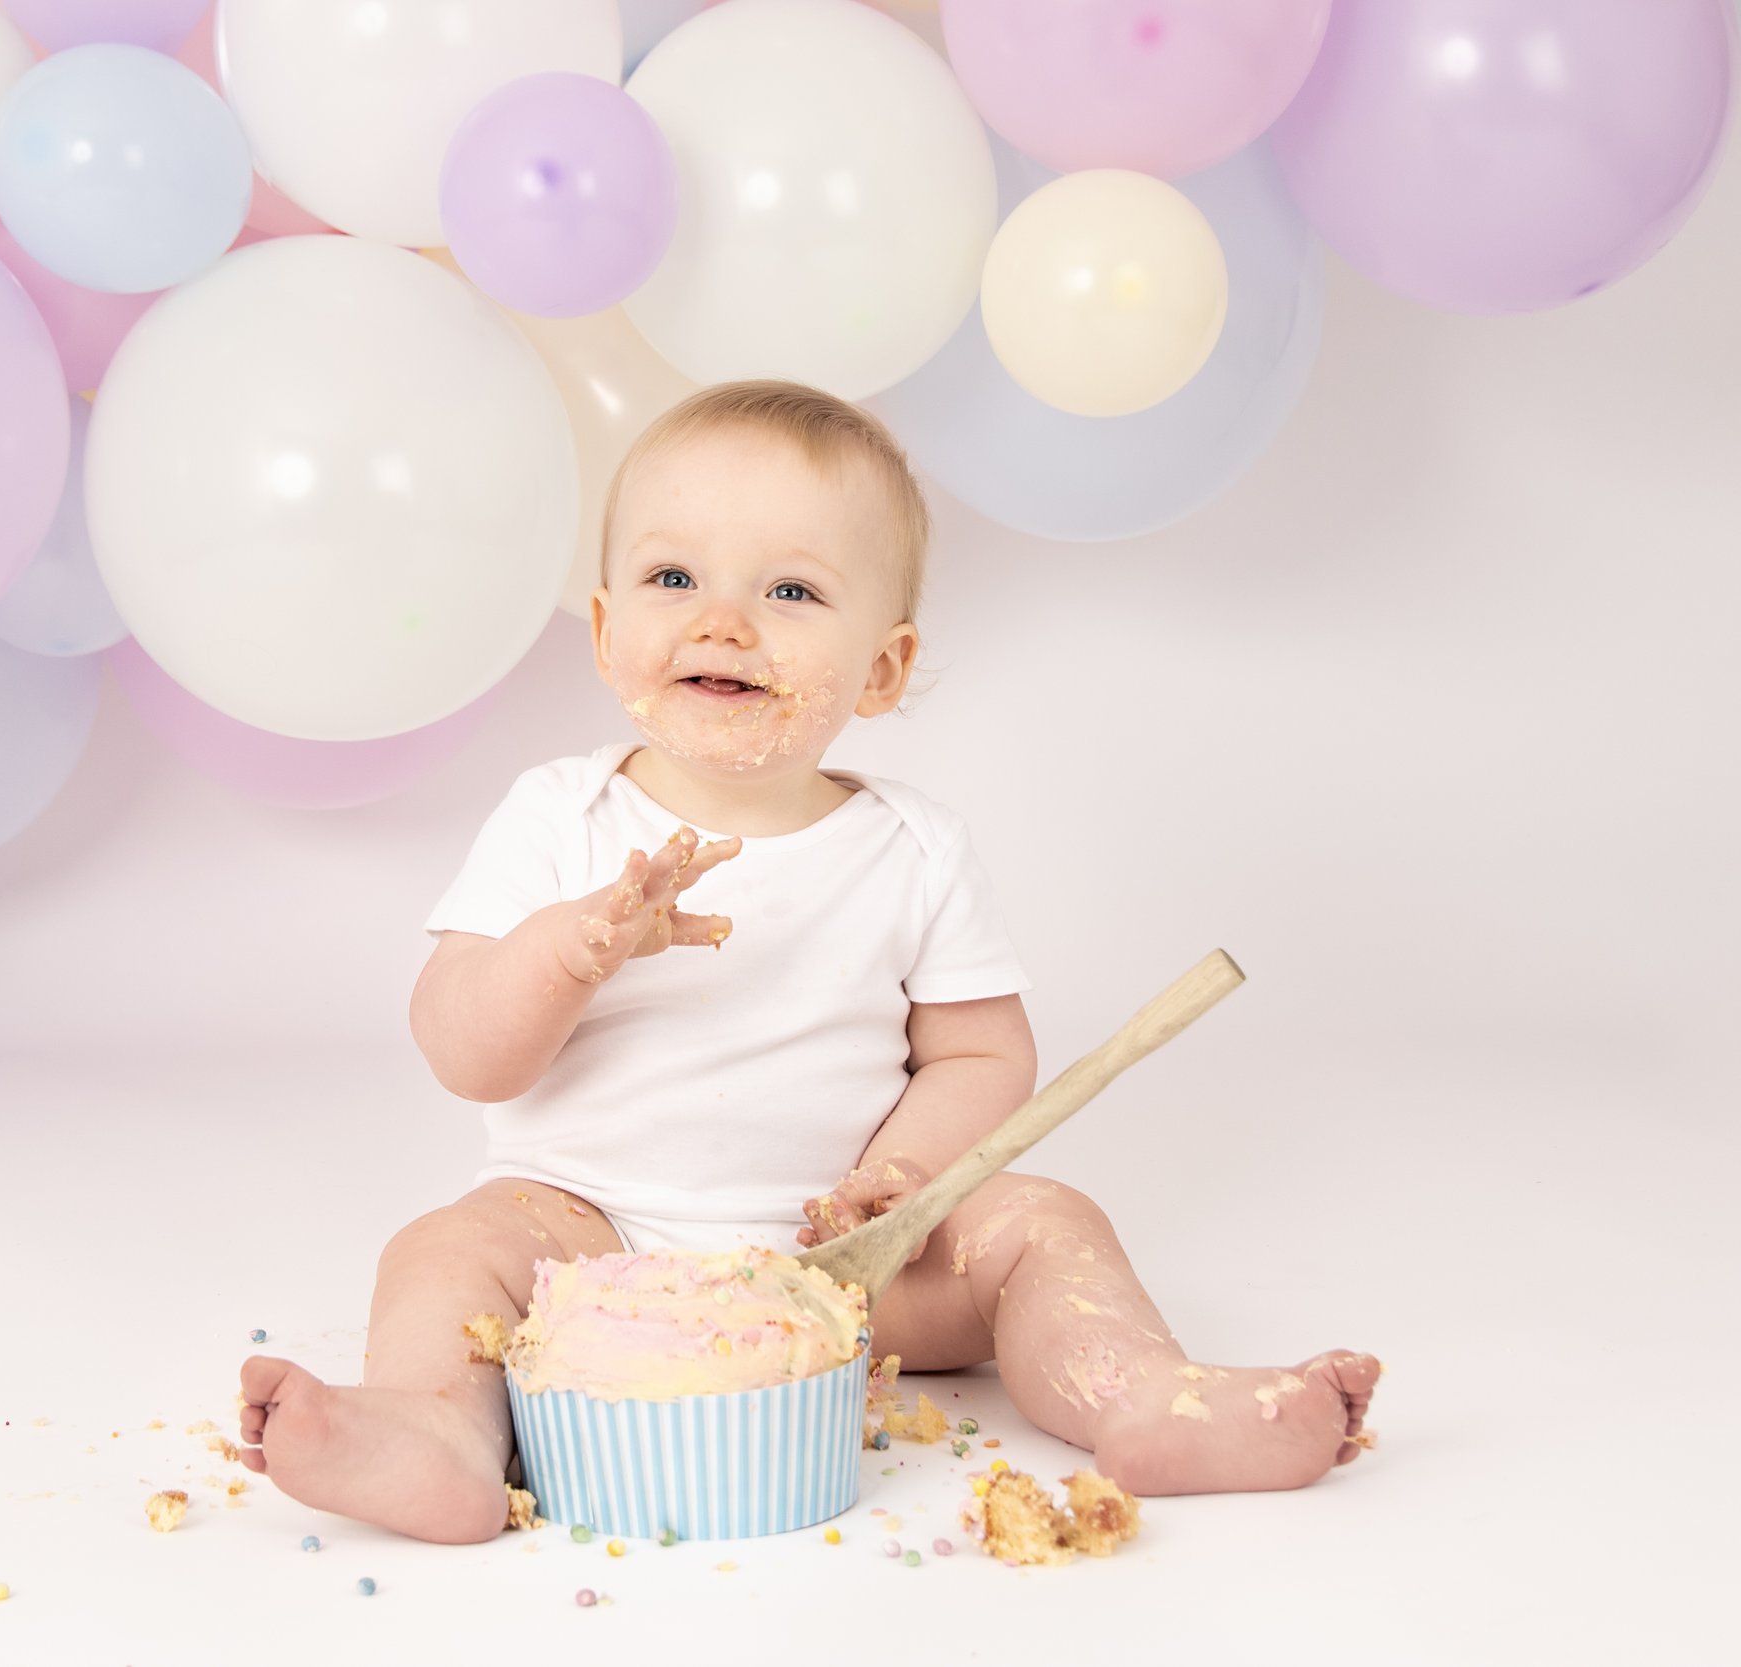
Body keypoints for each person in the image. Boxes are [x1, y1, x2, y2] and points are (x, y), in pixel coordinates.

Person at [234, 379, 1380, 1544]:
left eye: (789, 589)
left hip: (848, 1264)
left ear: (881, 669)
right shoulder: (557, 817)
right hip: (587, 1239)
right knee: (441, 1250)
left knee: (1044, 1219)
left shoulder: (912, 844)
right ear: (602, 629)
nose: (723, 620)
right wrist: (571, 949)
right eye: (673, 578)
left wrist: (907, 1175)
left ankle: (1139, 1390)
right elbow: (460, 1049)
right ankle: (438, 1433)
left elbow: (982, 1050)